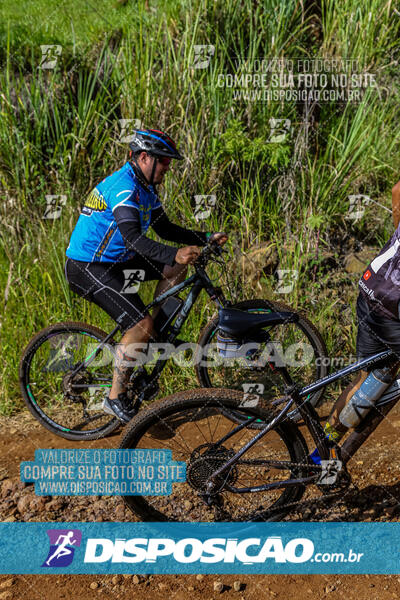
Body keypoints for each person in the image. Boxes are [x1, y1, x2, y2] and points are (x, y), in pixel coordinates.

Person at [65, 128, 227, 423]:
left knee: (175, 269)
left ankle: (153, 336)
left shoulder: (146, 188)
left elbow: (164, 229)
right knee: (140, 321)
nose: (168, 167)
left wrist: (204, 237)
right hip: (88, 267)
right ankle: (114, 397)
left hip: (115, 262)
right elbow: (132, 238)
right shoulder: (124, 188)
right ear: (143, 158)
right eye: (164, 161)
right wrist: (174, 253)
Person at [310, 181, 400, 463]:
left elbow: (397, 189)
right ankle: (335, 457)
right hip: (391, 305)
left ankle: (321, 452)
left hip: (371, 288)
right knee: (379, 378)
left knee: (367, 379)